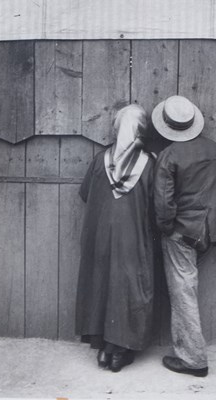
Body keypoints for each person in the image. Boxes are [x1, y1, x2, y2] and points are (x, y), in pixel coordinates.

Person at [152, 95, 216, 377]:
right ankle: (189, 352)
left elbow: (163, 203)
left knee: (183, 292)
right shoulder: (215, 149)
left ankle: (193, 360)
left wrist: (167, 229)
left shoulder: (169, 155)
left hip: (182, 231)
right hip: (210, 230)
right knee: (187, 287)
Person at [76, 104, 155, 372]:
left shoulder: (100, 160)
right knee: (128, 287)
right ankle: (119, 351)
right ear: (142, 129)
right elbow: (157, 206)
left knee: (101, 283)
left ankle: (102, 350)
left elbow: (86, 193)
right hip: (133, 237)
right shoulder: (149, 163)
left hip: (100, 236)